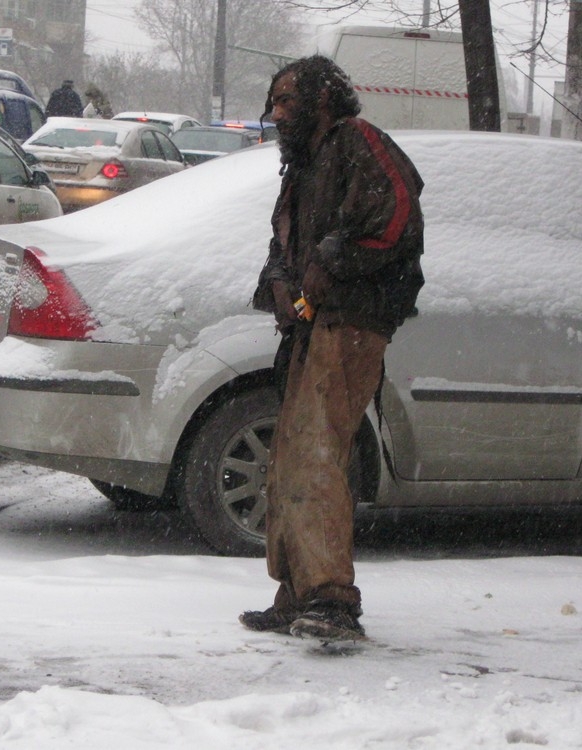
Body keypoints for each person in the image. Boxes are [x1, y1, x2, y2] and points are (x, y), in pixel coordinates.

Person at [240, 55, 425, 642]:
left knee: (317, 453)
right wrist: (278, 282)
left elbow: (396, 216)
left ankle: (331, 599)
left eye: (286, 101)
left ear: (322, 99)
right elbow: (282, 244)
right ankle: (299, 591)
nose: (276, 113)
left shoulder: (357, 140)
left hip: (351, 322)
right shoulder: (303, 165)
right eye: (273, 102)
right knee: (290, 457)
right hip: (309, 326)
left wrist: (329, 261)